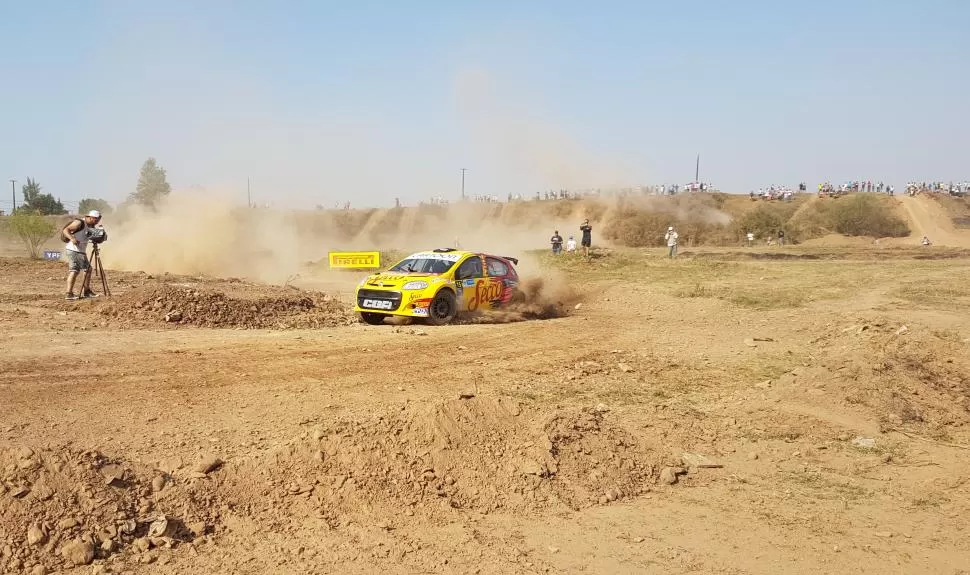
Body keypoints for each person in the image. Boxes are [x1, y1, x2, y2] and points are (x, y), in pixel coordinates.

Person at [61, 210, 103, 300]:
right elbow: (65, 230)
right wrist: (72, 238)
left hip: (80, 250)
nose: (97, 222)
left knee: (87, 270)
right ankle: (69, 293)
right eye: (96, 220)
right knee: (75, 271)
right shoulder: (79, 222)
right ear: (90, 217)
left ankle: (86, 291)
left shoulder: (91, 225)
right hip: (73, 249)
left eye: (98, 220)